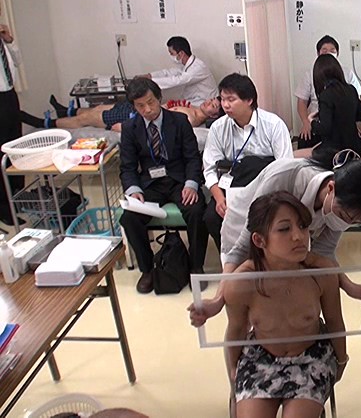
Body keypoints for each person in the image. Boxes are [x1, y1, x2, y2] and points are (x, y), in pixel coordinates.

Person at [188, 147, 361, 325]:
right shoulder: (285, 178)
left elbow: (324, 254)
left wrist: (348, 286)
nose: (345, 223)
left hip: (280, 251)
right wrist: (217, 300)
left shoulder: (341, 205)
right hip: (243, 225)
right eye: (345, 216)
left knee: (277, 309)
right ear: (331, 188)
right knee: (247, 311)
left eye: (354, 222)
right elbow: (241, 248)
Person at [226, 191, 346, 418]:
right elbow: (236, 329)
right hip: (260, 357)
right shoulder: (243, 282)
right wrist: (233, 370)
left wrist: (341, 359)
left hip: (311, 357)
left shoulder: (321, 273)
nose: (299, 236)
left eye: (302, 227)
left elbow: (334, 320)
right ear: (259, 240)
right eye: (284, 229)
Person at [118, 78, 209, 294]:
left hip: (179, 180)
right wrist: (134, 191)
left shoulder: (179, 121)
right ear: (134, 107)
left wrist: (191, 184)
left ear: (159, 98)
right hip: (150, 184)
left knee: (197, 210)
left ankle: (196, 267)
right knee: (129, 218)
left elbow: (192, 158)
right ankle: (147, 269)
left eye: (150, 102)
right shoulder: (130, 128)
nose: (147, 109)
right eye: (140, 106)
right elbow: (127, 167)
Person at [203, 73, 293, 252]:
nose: (225, 105)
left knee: (265, 217)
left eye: (231, 99)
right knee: (211, 217)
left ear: (249, 100)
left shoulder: (273, 124)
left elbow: (285, 167)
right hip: (230, 187)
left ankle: (263, 258)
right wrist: (219, 199)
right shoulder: (218, 127)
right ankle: (231, 258)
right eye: (222, 99)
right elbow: (210, 169)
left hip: (265, 188)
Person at [295, 35, 361, 150]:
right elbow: (301, 102)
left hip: (340, 123)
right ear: (318, 54)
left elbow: (356, 101)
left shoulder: (348, 73)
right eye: (324, 50)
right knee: (304, 142)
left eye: (332, 51)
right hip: (317, 121)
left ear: (337, 54)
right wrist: (306, 122)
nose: (328, 54)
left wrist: (351, 124)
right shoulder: (309, 74)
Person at [20, 96, 223, 131]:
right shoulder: (192, 107)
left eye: (213, 106)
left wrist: (125, 128)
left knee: (86, 120)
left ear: (213, 116)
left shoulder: (190, 119)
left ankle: (44, 123)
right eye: (212, 100)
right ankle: (66, 110)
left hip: (136, 116)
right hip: (139, 108)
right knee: (98, 109)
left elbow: (159, 123)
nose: (208, 103)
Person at [136, 36, 218, 107]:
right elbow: (171, 72)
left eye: (172, 53)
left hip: (206, 103)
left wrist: (150, 82)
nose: (171, 56)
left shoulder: (198, 68)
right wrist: (150, 76)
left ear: (181, 53)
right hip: (194, 100)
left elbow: (177, 80)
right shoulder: (187, 64)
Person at [0, 10, 23, 226]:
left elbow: (17, 61)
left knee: (15, 146)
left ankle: (18, 197)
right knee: (1, 151)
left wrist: (10, 41)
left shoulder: (3, 40)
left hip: (9, 95)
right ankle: (4, 207)